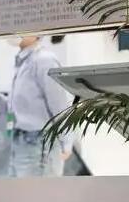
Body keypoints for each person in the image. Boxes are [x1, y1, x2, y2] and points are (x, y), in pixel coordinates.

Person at [7, 36, 79, 177]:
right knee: (19, 189)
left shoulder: (44, 60)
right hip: (20, 140)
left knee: (40, 190)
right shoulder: (23, 60)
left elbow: (58, 104)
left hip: (40, 144)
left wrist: (67, 142)